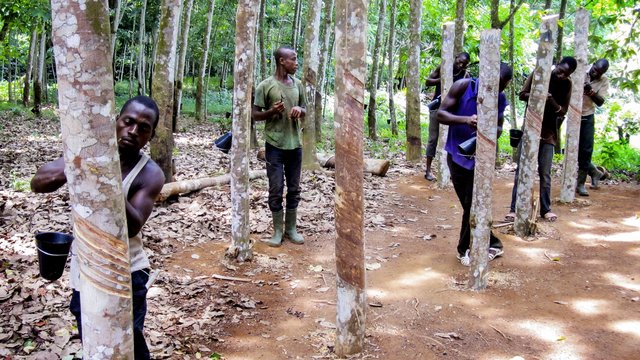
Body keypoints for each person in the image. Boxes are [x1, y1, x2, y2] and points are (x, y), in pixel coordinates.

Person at [30, 96, 164, 360]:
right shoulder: (87, 152)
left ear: (151, 136)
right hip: (86, 268)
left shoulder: (150, 174)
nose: (133, 131)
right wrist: (77, 165)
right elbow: (38, 183)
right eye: (129, 122)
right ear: (116, 121)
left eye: (143, 128)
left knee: (129, 342)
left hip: (127, 270)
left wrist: (108, 178)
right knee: (92, 338)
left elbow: (132, 226)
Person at [436, 62, 513, 266]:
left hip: (481, 160)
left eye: (503, 85)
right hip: (457, 156)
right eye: (497, 84)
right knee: (469, 204)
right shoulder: (463, 86)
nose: (499, 90)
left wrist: (489, 128)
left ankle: (466, 249)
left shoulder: (501, 98)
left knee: (472, 204)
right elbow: (441, 114)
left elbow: (499, 127)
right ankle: (489, 244)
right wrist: (466, 120)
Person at [506, 56, 577, 222]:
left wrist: (550, 100)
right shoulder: (539, 74)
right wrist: (538, 95)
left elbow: (562, 111)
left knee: (545, 173)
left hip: (549, 134)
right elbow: (522, 95)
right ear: (557, 64)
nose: (561, 76)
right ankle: (513, 209)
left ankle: (546, 209)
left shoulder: (567, 85)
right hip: (530, 130)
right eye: (560, 71)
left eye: (565, 74)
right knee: (521, 170)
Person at [252, 46, 306, 247]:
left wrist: (300, 109)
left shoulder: (298, 85)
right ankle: (277, 231)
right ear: (282, 61)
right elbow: (254, 115)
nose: (296, 62)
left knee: (294, 188)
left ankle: (291, 228)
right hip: (274, 145)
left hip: (295, 145)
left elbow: (306, 109)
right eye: (293, 59)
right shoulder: (265, 86)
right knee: (276, 188)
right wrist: (271, 112)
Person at [424, 52, 471, 181]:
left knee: (453, 140)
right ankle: (428, 170)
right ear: (455, 57)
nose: (460, 65)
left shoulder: (466, 75)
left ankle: (452, 171)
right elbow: (428, 81)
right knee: (433, 139)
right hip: (437, 108)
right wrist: (443, 79)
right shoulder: (443, 68)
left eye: (464, 64)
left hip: (453, 112)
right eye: (459, 61)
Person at [577, 59, 609, 196]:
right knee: (574, 150)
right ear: (593, 64)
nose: (595, 74)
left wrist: (591, 92)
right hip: (574, 114)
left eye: (599, 73)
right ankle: (595, 172)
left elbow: (601, 101)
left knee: (586, 150)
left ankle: (580, 184)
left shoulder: (604, 81)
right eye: (595, 70)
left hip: (587, 115)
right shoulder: (581, 72)